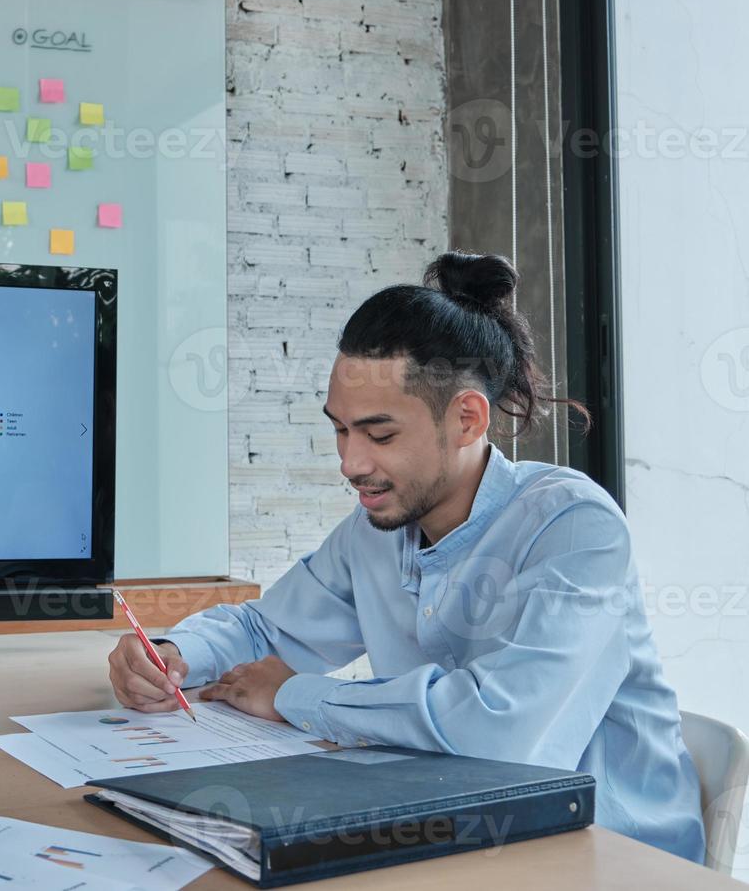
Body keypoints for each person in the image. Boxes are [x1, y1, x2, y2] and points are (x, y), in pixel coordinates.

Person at [109, 252, 705, 862]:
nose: (350, 463)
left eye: (380, 434)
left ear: (467, 419)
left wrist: (298, 695)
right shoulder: (378, 528)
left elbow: (501, 733)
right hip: (450, 831)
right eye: (341, 430)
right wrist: (177, 655)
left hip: (608, 853)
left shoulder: (575, 526)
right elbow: (266, 628)